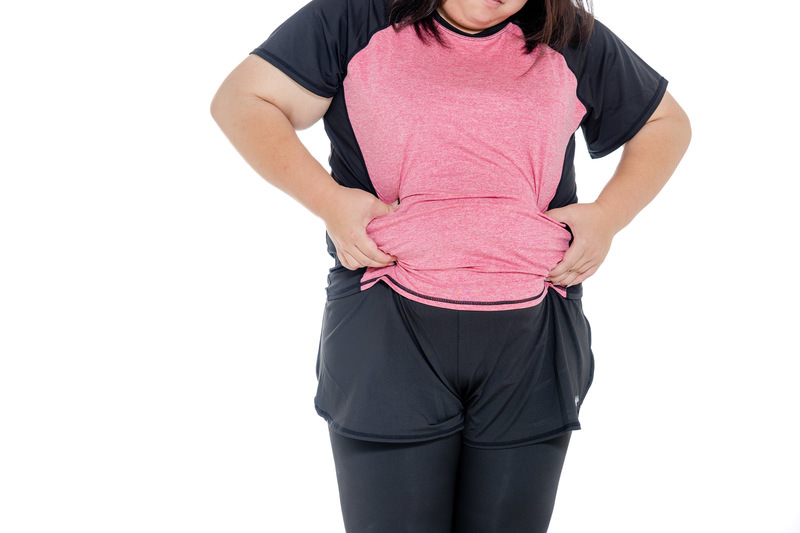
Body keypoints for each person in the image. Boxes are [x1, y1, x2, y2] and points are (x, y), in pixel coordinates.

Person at [211, 0, 691, 531]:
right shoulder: (354, 18)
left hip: (533, 336)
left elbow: (665, 122)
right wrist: (329, 202)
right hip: (387, 328)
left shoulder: (567, 35)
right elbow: (242, 99)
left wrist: (608, 216)